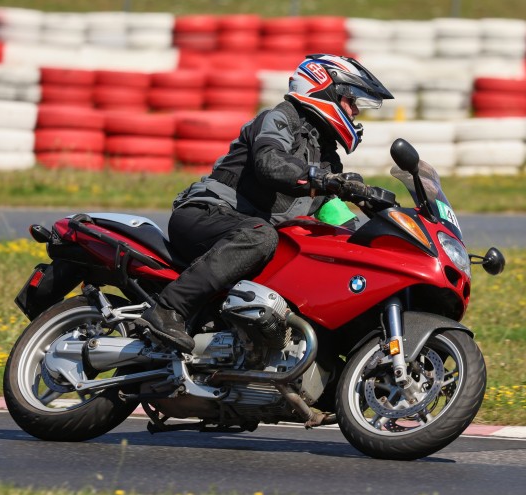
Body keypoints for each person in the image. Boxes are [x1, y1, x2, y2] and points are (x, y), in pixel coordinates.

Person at [139, 54, 394, 353]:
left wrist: (376, 243)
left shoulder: (326, 158)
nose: (354, 113)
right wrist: (323, 180)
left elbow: (335, 215)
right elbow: (269, 162)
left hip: (244, 235)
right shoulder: (281, 118)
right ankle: (168, 309)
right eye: (351, 102)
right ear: (325, 90)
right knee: (261, 235)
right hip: (206, 215)